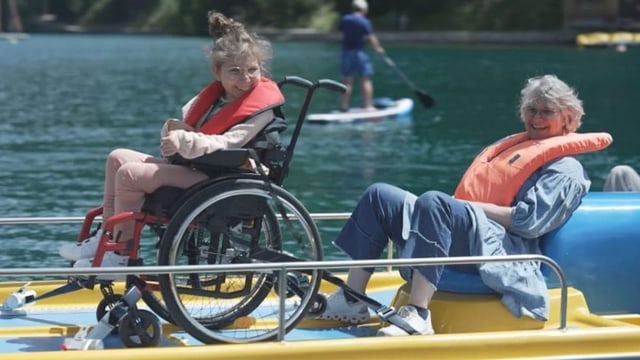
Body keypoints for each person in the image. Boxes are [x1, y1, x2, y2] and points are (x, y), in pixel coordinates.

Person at [316, 75, 612, 336]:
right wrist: (458, 208)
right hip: (474, 236)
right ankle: (353, 299)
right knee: (380, 195)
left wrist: (464, 207)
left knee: (435, 202)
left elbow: (528, 222)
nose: (536, 118)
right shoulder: (516, 149)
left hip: (502, 254)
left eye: (547, 112)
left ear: (568, 120)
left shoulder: (565, 170)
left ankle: (417, 313)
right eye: (531, 110)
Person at [58, 10, 285, 279]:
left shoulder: (261, 111)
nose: (245, 79)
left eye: (252, 70)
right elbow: (188, 130)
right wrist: (173, 132)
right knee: (117, 157)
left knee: (130, 175)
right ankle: (108, 235)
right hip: (201, 170)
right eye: (235, 71)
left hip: (224, 179)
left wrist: (183, 140)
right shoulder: (215, 101)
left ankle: (119, 255)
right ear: (217, 72)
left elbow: (227, 142)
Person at [338, 0, 385, 112]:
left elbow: (341, 32)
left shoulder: (345, 19)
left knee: (346, 81)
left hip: (346, 52)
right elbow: (371, 37)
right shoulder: (364, 21)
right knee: (365, 79)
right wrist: (378, 48)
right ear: (364, 9)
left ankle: (343, 106)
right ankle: (368, 106)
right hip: (359, 52)